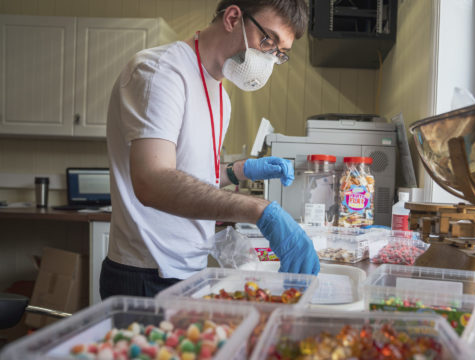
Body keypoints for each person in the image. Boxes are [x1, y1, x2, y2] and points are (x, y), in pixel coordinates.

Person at [101, 0, 319, 299]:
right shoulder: (161, 71)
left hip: (189, 270)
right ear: (232, 18)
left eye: (279, 53)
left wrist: (237, 171)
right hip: (146, 274)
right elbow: (152, 182)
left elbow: (189, 181)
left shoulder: (220, 95)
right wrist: (260, 210)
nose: (269, 57)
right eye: (267, 40)